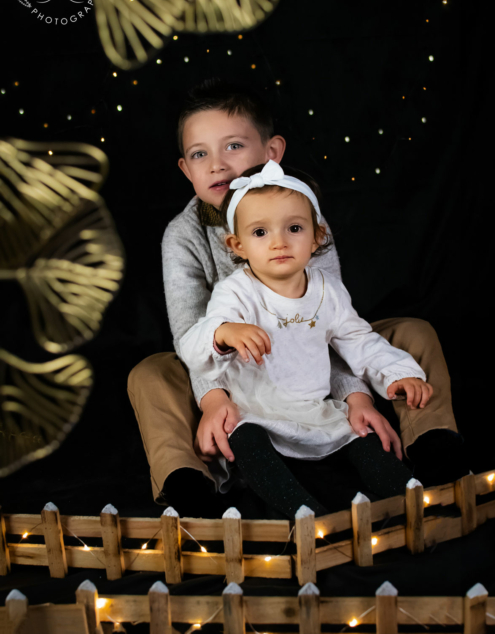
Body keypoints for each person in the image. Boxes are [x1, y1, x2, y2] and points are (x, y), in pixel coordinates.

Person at [127, 77, 469, 517]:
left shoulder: (301, 213)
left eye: (232, 146)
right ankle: (191, 484)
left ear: (271, 153)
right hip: (234, 372)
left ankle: (433, 451)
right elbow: (192, 337)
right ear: (186, 169)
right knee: (149, 374)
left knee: (414, 331)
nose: (216, 165)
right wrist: (214, 400)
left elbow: (333, 320)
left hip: (308, 355)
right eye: (200, 154)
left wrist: (354, 397)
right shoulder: (183, 236)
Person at [178, 160, 436, 517]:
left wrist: (397, 372)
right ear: (237, 245)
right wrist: (223, 333)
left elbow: (357, 338)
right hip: (257, 411)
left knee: (362, 438)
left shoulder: (326, 290)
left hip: (316, 409)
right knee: (246, 441)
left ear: (317, 237)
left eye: (294, 228)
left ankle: (413, 503)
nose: (279, 242)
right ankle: (306, 515)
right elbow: (192, 348)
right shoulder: (236, 291)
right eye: (260, 233)